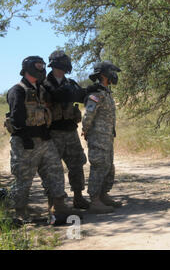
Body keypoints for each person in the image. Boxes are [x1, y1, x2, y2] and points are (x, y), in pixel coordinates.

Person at [4, 56, 80, 222]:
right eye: (37, 65)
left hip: (44, 139)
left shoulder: (41, 89)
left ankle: (58, 207)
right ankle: (19, 212)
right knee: (24, 179)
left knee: (56, 172)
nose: (41, 68)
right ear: (28, 68)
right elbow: (16, 118)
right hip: (25, 142)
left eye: (42, 65)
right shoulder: (18, 90)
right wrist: (25, 137)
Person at [43, 51, 90, 209]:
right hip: (53, 133)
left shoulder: (70, 82)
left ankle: (78, 197)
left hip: (70, 130)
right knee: (52, 168)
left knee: (76, 164)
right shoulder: (44, 83)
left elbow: (81, 96)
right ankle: (54, 203)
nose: (63, 69)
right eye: (61, 65)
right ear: (54, 65)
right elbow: (49, 99)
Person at [82, 61, 122, 214]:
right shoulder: (96, 94)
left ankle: (103, 195)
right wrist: (85, 130)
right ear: (104, 74)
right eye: (112, 72)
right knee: (99, 166)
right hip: (98, 137)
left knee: (108, 166)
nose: (115, 75)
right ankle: (95, 200)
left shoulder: (106, 92)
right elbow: (88, 115)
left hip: (107, 137)